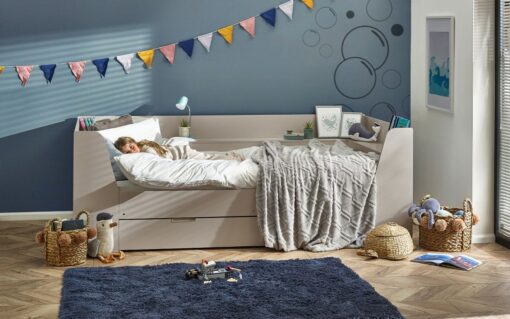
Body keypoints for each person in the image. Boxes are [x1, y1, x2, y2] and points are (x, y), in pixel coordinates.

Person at [113, 136, 246, 161]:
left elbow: (152, 157)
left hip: (182, 154)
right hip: (181, 152)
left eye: (131, 146)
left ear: (134, 142)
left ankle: (233, 157)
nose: (132, 151)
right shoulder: (143, 148)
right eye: (128, 152)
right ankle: (231, 154)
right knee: (208, 156)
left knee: (209, 159)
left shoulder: (146, 149)